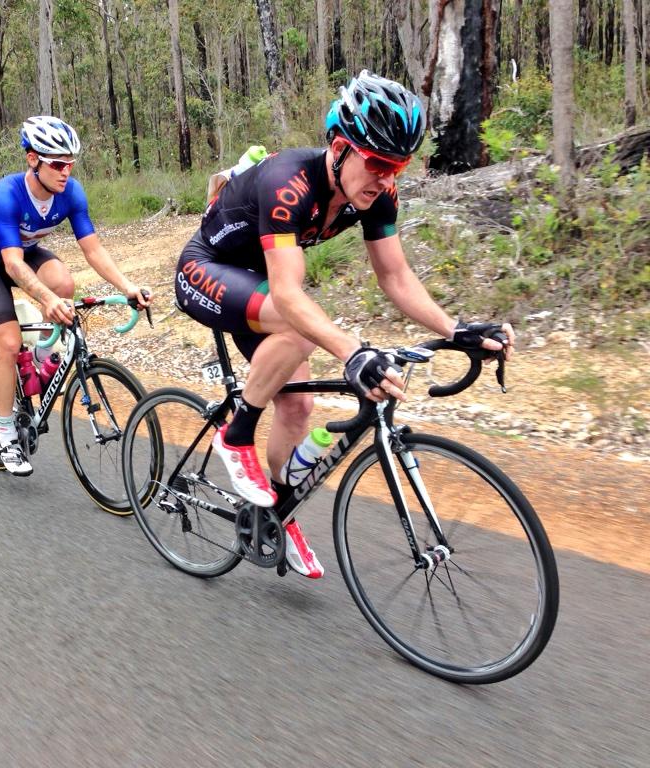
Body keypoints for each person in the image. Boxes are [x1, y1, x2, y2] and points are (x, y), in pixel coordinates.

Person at [174, 71, 514, 579]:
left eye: (399, 168)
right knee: (297, 327)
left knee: (299, 405)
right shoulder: (288, 181)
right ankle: (236, 432)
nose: (387, 179)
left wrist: (453, 328)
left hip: (258, 284)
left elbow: (396, 276)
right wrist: (351, 351)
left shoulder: (377, 196)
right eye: (378, 164)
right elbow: (289, 293)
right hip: (206, 270)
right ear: (339, 148)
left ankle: (274, 514)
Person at [0, 115, 151, 476]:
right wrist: (45, 299)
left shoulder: (71, 194)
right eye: (58, 164)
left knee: (64, 284)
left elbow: (93, 251)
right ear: (32, 159)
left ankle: (37, 360)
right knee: (7, 341)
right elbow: (13, 264)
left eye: (71, 164)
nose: (66, 172)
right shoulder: (8, 194)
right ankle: (5, 436)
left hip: (25, 252)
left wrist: (127, 287)